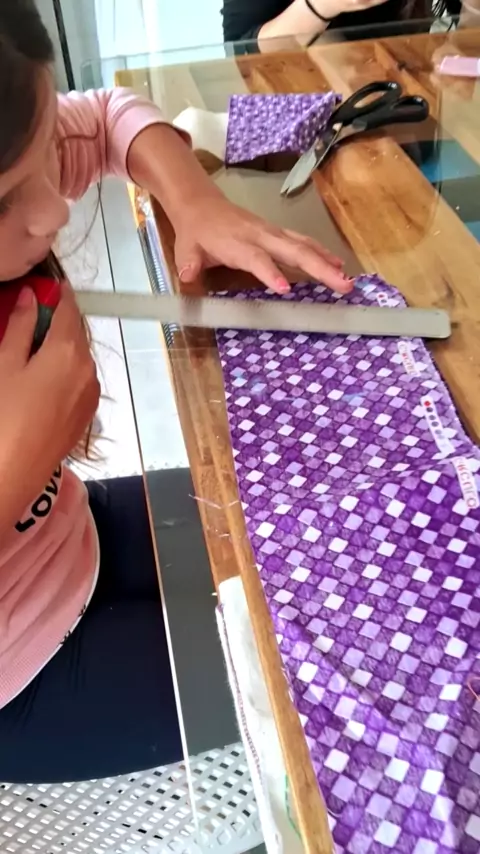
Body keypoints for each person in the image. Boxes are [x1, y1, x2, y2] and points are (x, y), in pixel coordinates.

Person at [0, 1, 352, 785]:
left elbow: (108, 115)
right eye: (2, 201)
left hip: (77, 537)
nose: (55, 209)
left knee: (319, 529)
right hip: (32, 683)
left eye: (46, 154)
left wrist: (196, 202)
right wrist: (15, 471)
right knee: (328, 661)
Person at [222, 0, 461, 49]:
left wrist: (461, 45)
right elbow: (240, 50)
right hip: (298, 114)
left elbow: (465, 13)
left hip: (405, 107)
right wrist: (322, 5)